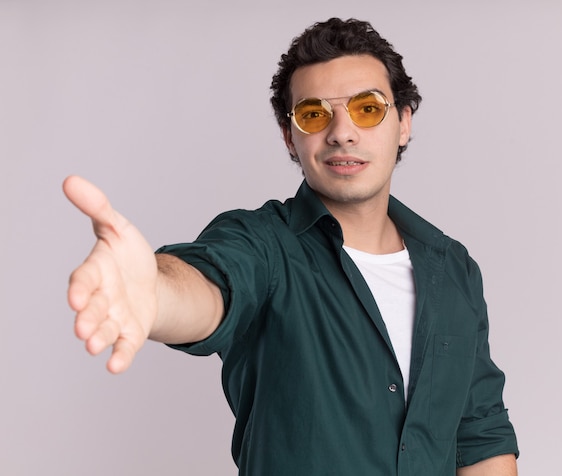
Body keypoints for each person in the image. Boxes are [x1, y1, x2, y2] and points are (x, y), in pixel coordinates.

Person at [64, 17, 519, 476]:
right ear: (290, 136)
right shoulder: (265, 245)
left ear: (402, 123)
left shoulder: (453, 268)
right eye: (315, 114)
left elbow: (480, 436)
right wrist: (157, 292)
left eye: (367, 109)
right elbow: (213, 285)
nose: (342, 132)